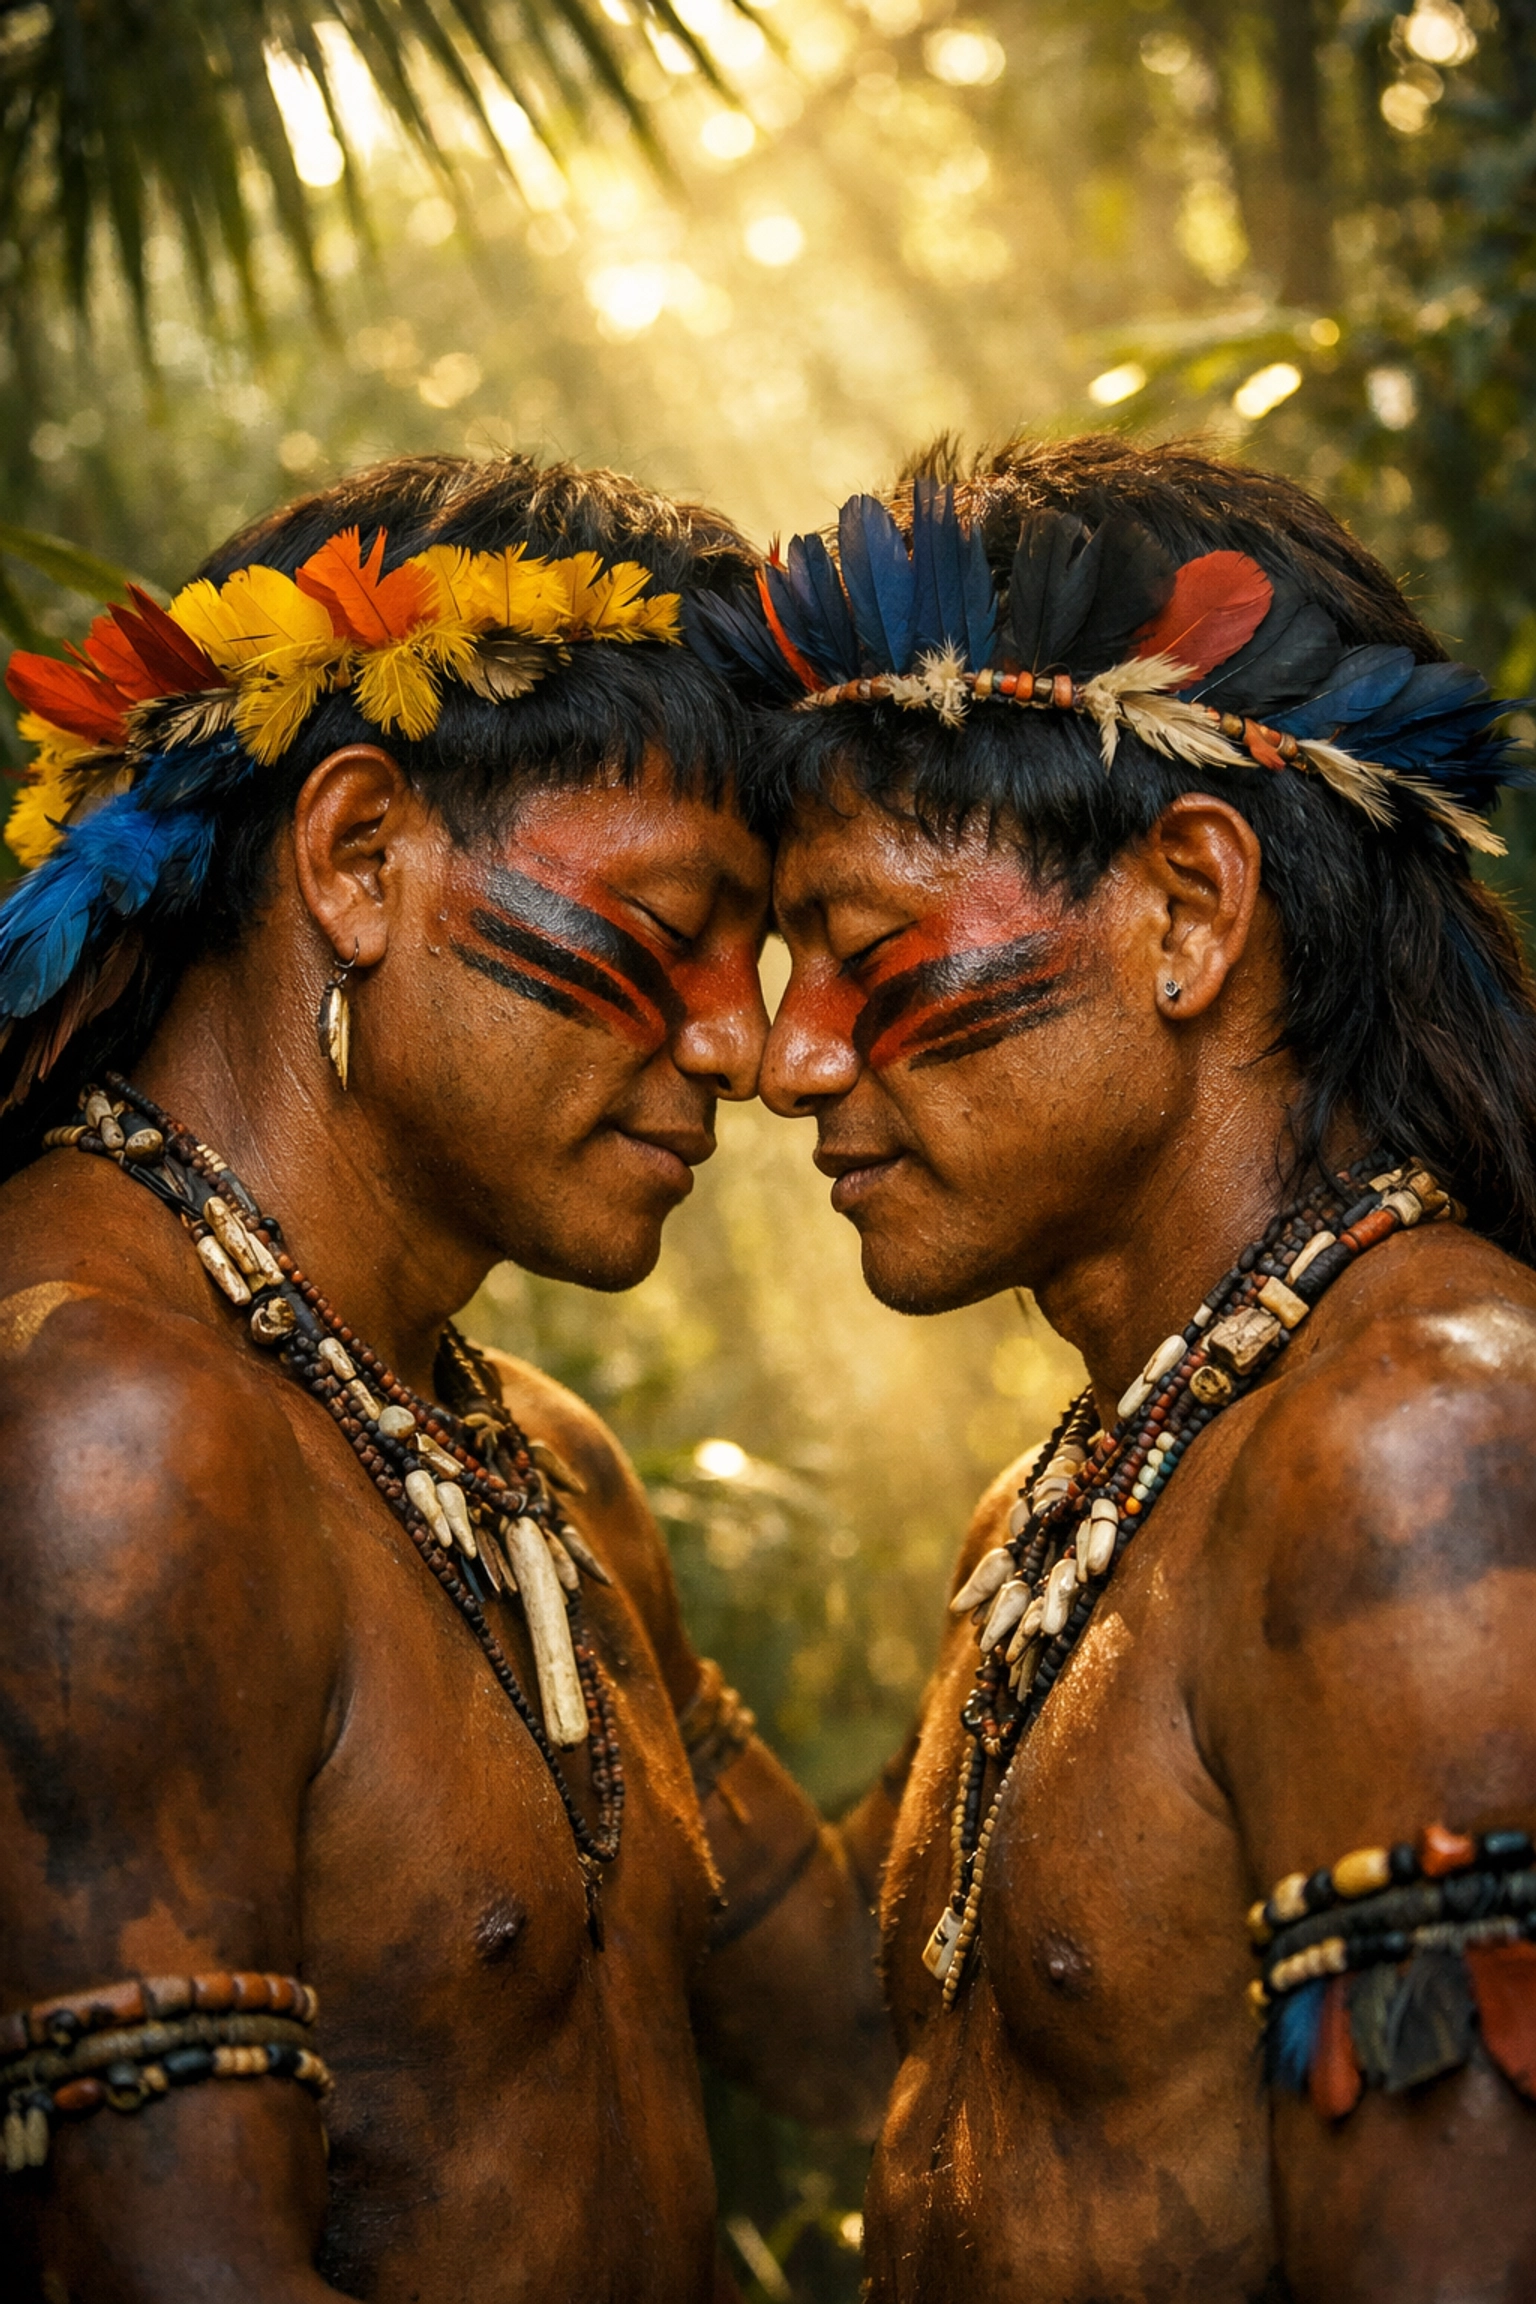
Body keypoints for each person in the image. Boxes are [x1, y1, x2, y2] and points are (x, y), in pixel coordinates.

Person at [0, 453, 898, 2303]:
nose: (738, 1040)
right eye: (668, 929)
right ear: (357, 861)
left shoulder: (540, 1469)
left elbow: (859, 2030)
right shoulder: (105, 1432)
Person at [684, 433, 1536, 2300]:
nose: (787, 1061)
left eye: (861, 952)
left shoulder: (1420, 1439)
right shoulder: (1083, 1490)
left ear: (1190, 913)